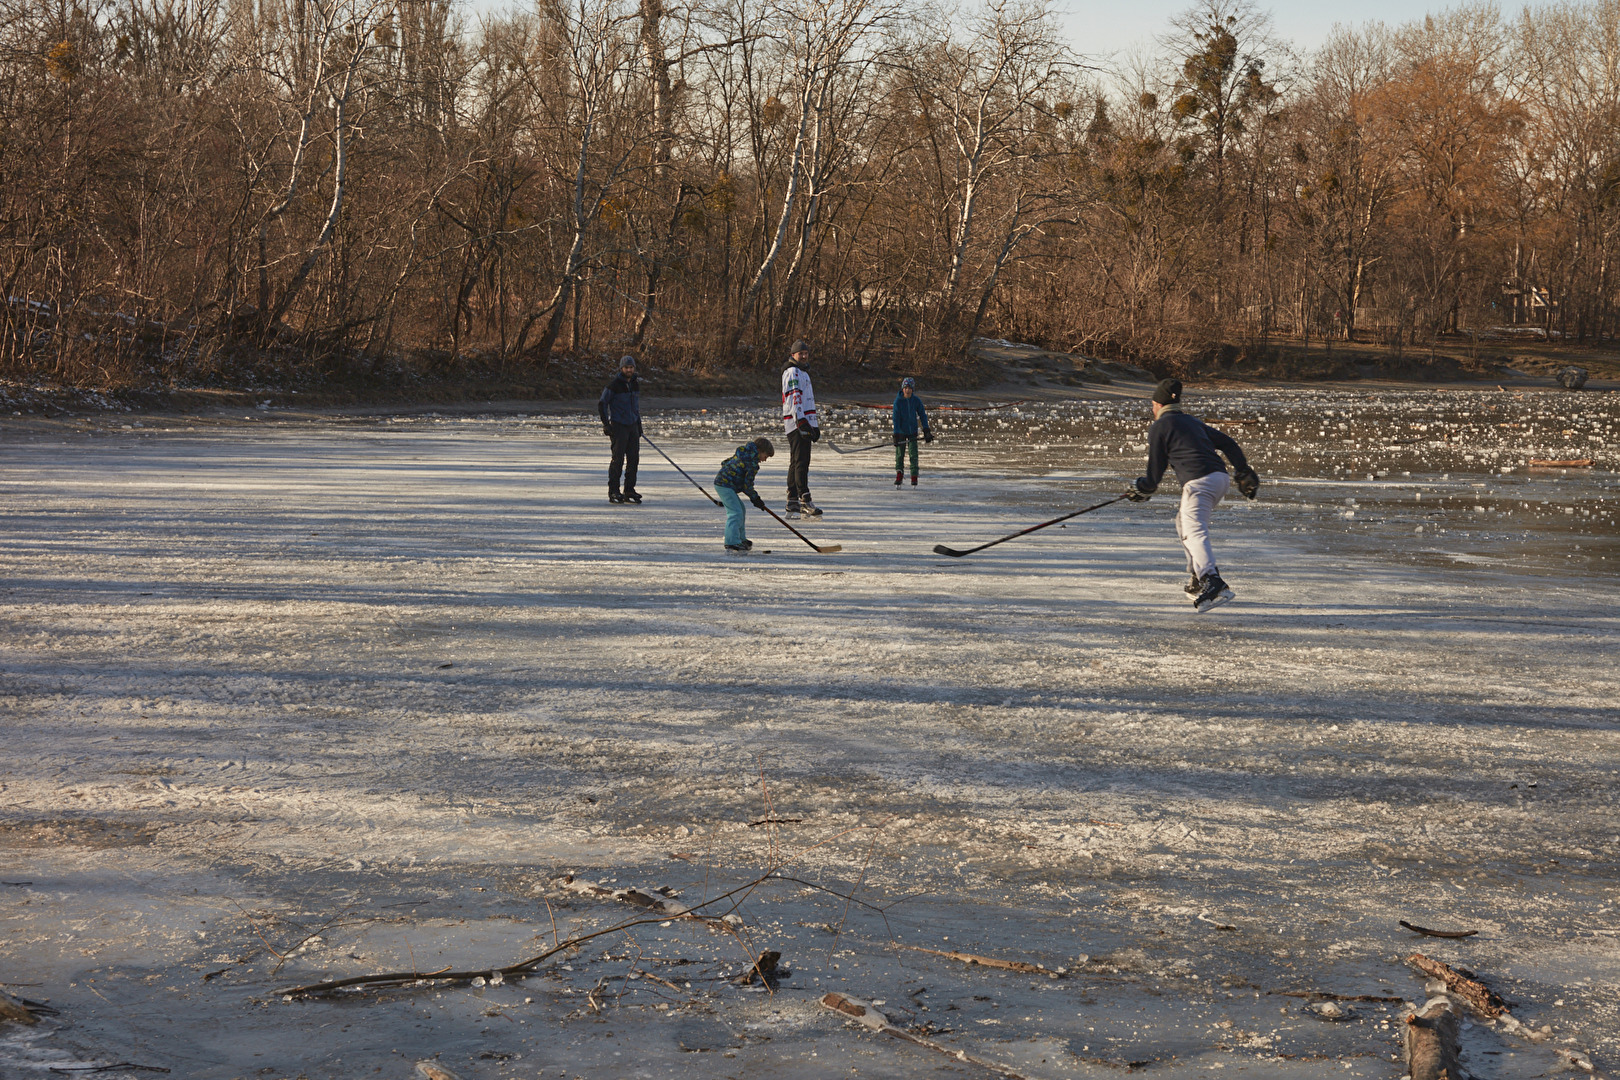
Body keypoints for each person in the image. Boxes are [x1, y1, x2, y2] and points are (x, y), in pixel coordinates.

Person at [1125, 378, 1259, 612]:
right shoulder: (1192, 422)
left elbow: (1154, 476)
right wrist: (1243, 471)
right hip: (1220, 479)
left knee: (1193, 529)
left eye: (1153, 405)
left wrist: (1141, 487)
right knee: (1182, 524)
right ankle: (1198, 578)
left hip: (1199, 483)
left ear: (1157, 404)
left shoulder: (1160, 426)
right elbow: (1228, 443)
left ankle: (1212, 580)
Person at [780, 340, 821, 516]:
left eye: (806, 353)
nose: (803, 356)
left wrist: (814, 425)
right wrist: (802, 421)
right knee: (801, 462)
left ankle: (792, 499)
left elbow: (808, 401)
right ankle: (804, 499)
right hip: (796, 423)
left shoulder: (803, 372)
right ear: (793, 355)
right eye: (800, 354)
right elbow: (793, 397)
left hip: (802, 422)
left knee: (796, 461)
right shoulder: (792, 372)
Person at [714, 436, 775, 553]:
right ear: (760, 451)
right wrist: (756, 498)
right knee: (735, 512)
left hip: (723, 483)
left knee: (741, 509)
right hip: (724, 486)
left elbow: (725, 462)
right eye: (765, 456)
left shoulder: (742, 452)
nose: (765, 460)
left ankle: (740, 539)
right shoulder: (752, 463)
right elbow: (747, 485)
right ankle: (731, 542)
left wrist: (734, 476)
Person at [598, 355, 642, 504]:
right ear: (621, 369)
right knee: (618, 460)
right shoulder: (614, 385)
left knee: (633, 460)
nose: (629, 370)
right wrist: (606, 424)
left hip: (633, 426)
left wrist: (639, 425)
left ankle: (629, 490)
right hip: (619, 427)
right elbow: (602, 404)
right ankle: (614, 491)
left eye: (631, 367)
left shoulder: (635, 384)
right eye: (626, 367)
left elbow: (635, 407)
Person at [891, 377, 933, 486]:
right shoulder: (898, 402)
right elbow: (896, 419)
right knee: (900, 454)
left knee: (913, 454)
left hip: (912, 432)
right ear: (902, 389)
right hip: (901, 432)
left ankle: (914, 476)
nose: (907, 390)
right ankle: (899, 474)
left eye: (909, 388)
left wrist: (926, 430)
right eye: (905, 388)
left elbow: (922, 415)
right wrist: (896, 434)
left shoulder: (916, 401)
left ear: (912, 389)